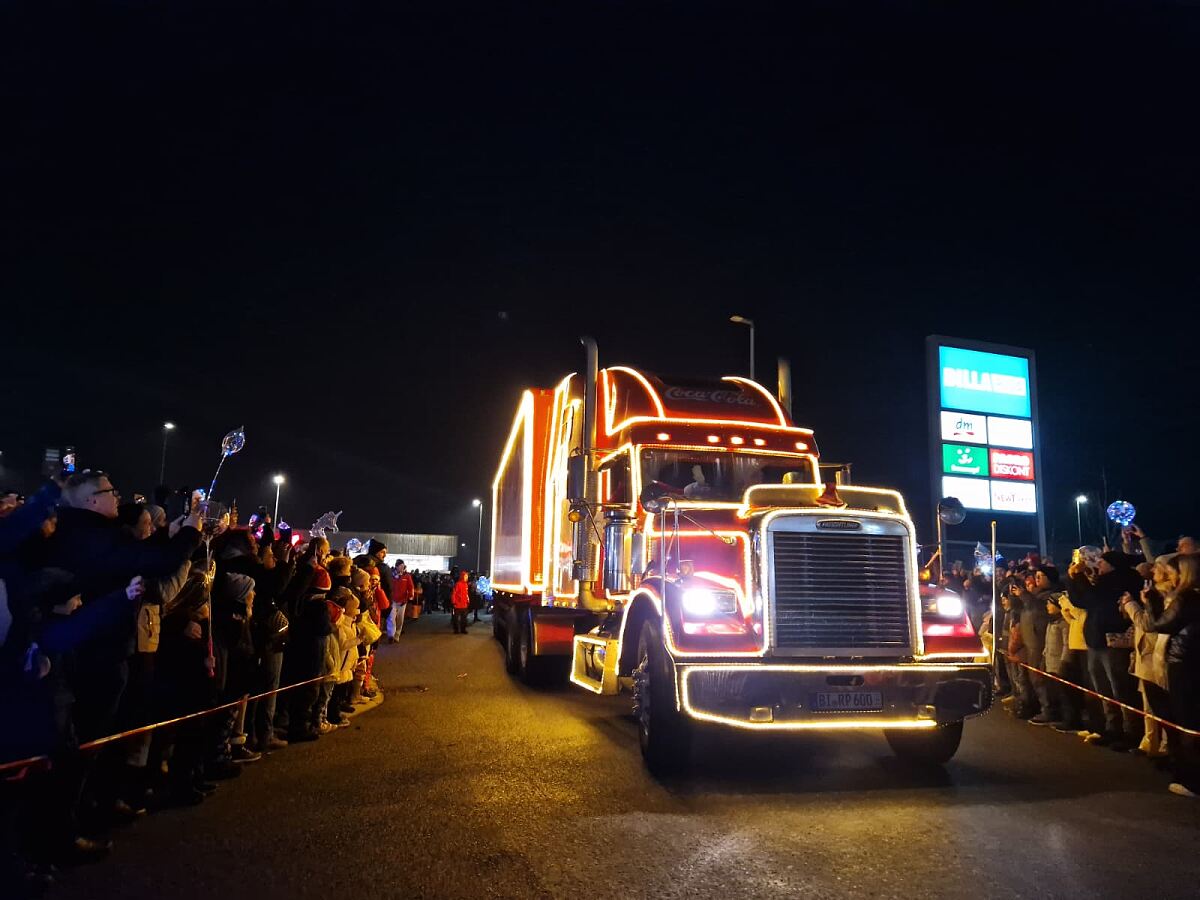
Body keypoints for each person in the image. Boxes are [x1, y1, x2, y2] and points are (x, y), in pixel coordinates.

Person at [1121, 553, 1200, 797]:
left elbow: (1158, 625)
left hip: (1184, 662)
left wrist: (1150, 602)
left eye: (1172, 572)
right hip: (1186, 660)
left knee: (1186, 721)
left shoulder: (1187, 598)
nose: (1168, 577)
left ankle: (1191, 780)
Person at [1067, 550, 1143, 750]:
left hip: (1113, 642)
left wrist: (1079, 577)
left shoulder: (1122, 580)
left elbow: (1093, 598)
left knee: (1120, 688)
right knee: (1103, 688)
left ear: (1113, 564)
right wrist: (1072, 579)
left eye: (1102, 562)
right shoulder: (1102, 582)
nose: (1098, 565)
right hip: (1095, 641)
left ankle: (1130, 732)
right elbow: (1080, 601)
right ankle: (1112, 728)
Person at [389, 560, 414, 640]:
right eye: (400, 566)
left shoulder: (407, 576)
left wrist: (410, 595)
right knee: (392, 618)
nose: (402, 568)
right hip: (393, 600)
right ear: (396, 566)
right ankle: (391, 634)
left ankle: (397, 634)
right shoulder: (391, 575)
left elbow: (410, 587)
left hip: (402, 601)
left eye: (403, 566)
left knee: (400, 618)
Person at [451, 569, 470, 634]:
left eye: (467, 576)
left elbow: (466, 594)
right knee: (456, 618)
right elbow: (454, 593)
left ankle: (463, 629)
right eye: (465, 576)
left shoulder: (466, 584)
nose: (467, 578)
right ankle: (456, 630)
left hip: (464, 604)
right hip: (458, 604)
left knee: (464, 618)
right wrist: (454, 602)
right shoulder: (458, 584)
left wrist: (467, 601)